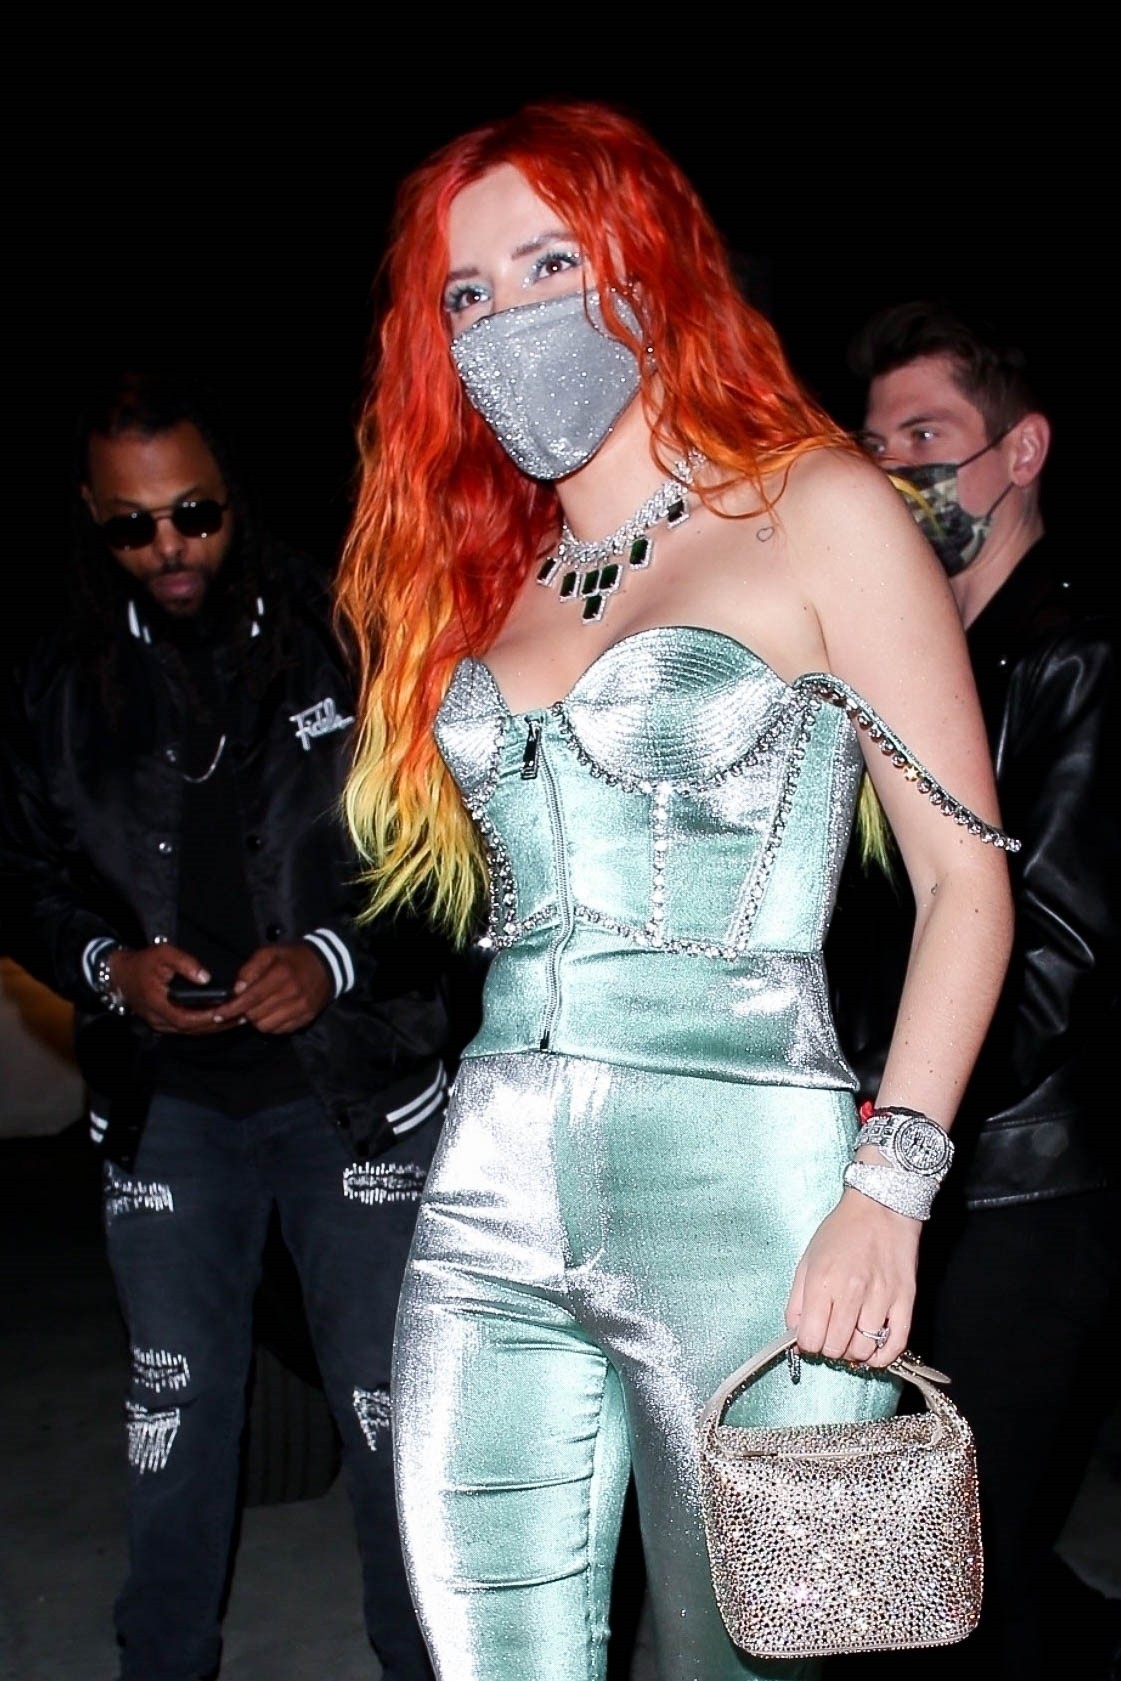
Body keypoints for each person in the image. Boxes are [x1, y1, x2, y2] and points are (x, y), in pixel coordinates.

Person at [334, 103, 1016, 1681]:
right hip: (488, 1192)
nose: (505, 316)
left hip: (753, 1203)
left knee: (753, 1657)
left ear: (645, 268)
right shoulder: (486, 576)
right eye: (465, 293)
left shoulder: (813, 509)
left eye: (548, 263)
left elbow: (964, 882)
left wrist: (889, 1188)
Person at [0, 374, 449, 1681]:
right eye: (131, 526)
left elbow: (455, 864)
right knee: (175, 1413)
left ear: (232, 496)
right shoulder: (56, 683)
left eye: (192, 513)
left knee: (391, 1410)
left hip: (351, 1096)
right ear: (93, 519)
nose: (168, 548)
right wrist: (107, 966)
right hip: (168, 1107)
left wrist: (331, 959)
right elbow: (22, 876)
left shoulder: (354, 639)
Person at [829, 301, 1121, 1680]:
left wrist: (898, 1127)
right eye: (876, 443)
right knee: (914, 1555)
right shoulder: (904, 651)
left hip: (1020, 1180)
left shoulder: (1073, 654)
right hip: (925, 1156)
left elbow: (1054, 955)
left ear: (1022, 451)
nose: (895, 468)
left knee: (953, 1568)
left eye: (927, 435)